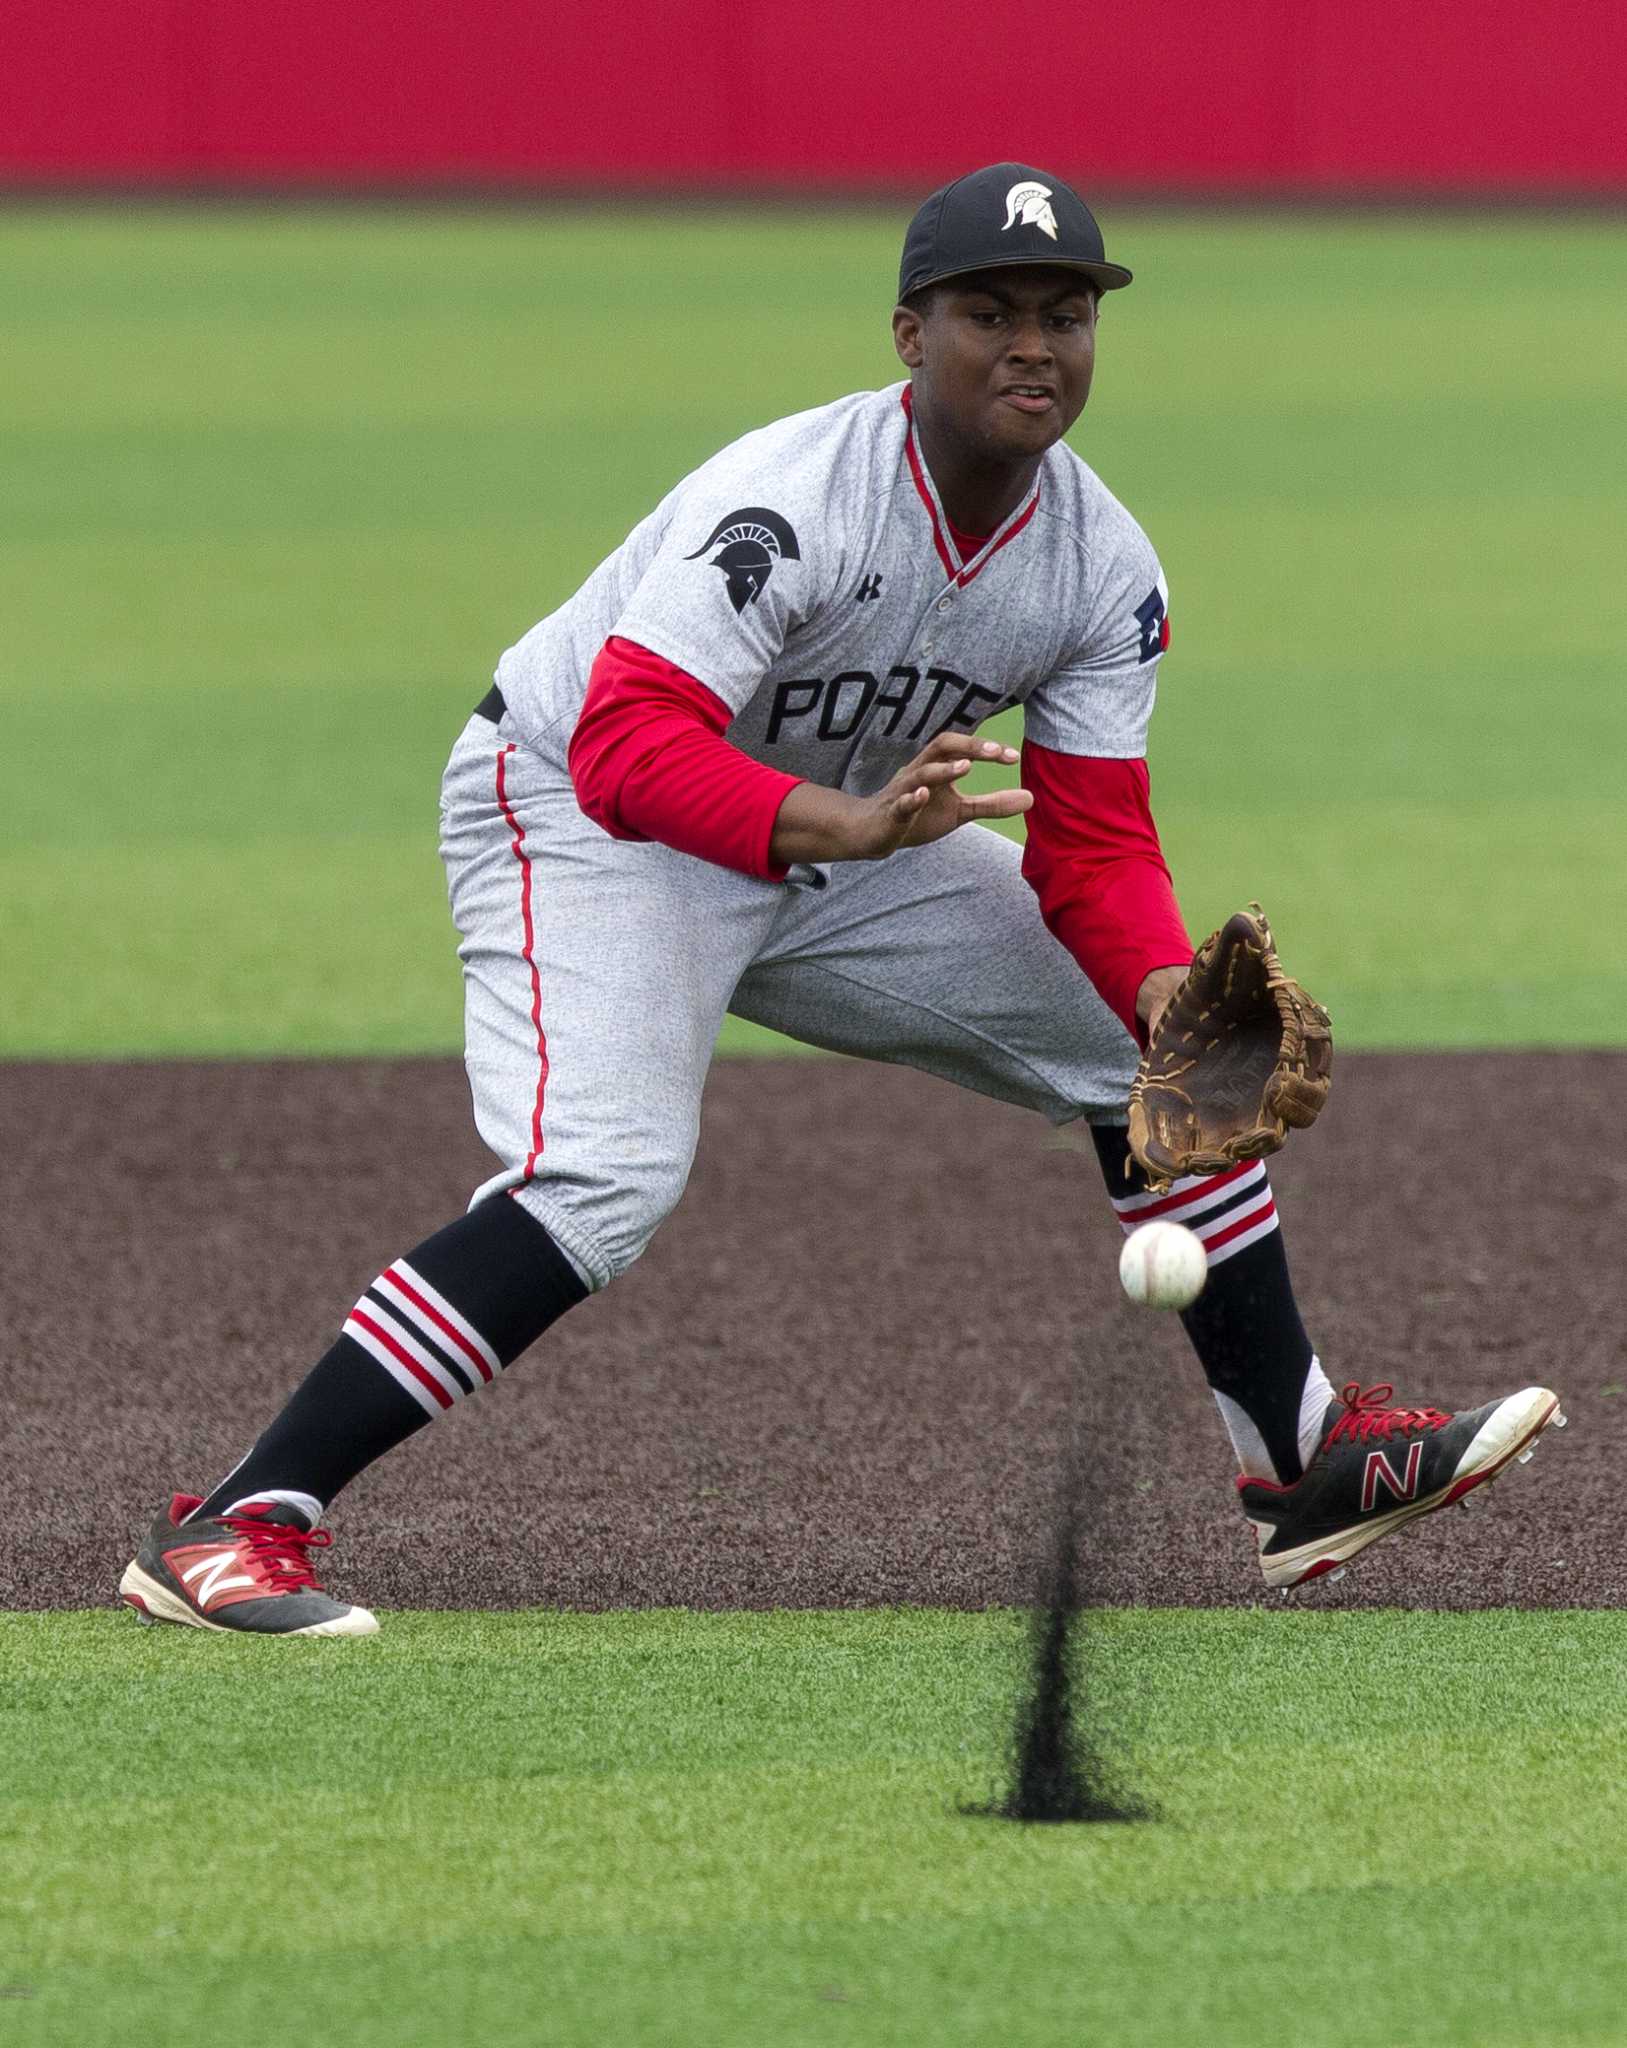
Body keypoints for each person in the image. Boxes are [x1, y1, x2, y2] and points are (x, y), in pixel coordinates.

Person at [120, 163, 1561, 1636]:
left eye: (1064, 316)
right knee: (602, 1183)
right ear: (905, 333)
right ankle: (236, 1523)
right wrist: (848, 825)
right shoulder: (790, 504)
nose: (1031, 346)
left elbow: (1094, 844)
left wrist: (1155, 993)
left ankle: (1303, 1466)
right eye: (987, 311)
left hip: (846, 830)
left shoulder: (1100, 565)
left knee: (1149, 1069)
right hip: (576, 812)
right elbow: (623, 746)